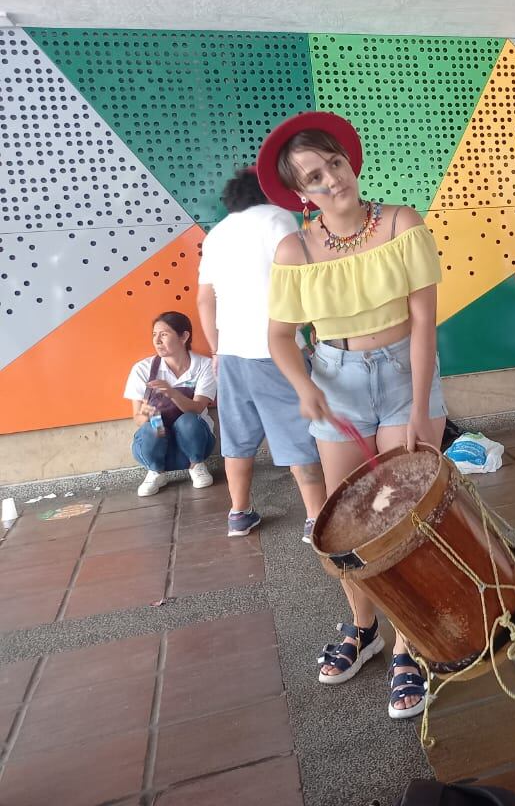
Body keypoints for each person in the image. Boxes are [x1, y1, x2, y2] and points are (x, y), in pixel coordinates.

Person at [259, 111, 448, 720]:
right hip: (334, 380)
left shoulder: (400, 223)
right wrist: (302, 387)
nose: (332, 180)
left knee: (401, 517)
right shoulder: (296, 248)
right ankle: (363, 625)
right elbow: (281, 337)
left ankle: (410, 644)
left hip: (403, 375)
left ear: (349, 161)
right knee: (344, 524)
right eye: (314, 176)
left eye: (334, 164)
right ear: (301, 192)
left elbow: (424, 323)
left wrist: (419, 407)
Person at [196, 168, 327, 540]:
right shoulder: (277, 219)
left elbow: (205, 298)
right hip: (275, 349)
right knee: (299, 434)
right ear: (269, 191)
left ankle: (239, 513)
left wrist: (217, 350)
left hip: (232, 354)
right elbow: (302, 277)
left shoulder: (217, 234)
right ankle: (316, 518)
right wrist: (314, 326)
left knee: (237, 438)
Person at [124, 311, 218, 497]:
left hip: (194, 440)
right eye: (154, 335)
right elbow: (137, 418)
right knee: (152, 427)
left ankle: (196, 465)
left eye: (164, 334)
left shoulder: (204, 365)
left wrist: (172, 393)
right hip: (161, 436)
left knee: (188, 420)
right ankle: (156, 472)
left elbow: (198, 407)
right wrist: (146, 413)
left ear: (184, 336)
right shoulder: (142, 369)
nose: (157, 341)